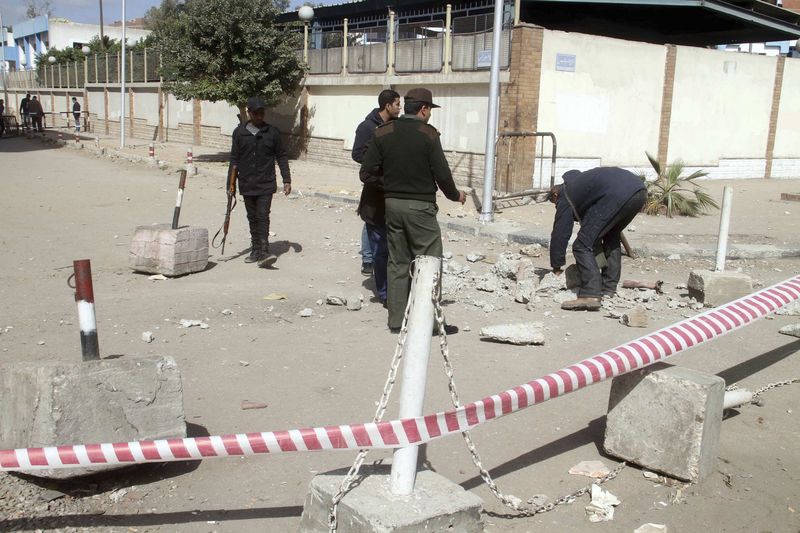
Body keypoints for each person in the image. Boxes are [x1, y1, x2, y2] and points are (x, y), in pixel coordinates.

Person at [361, 88, 466, 333]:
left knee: (397, 263)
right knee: (429, 262)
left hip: (392, 206)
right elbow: (442, 174)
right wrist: (455, 195)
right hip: (420, 208)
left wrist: (393, 187)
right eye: (429, 110)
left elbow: (366, 172)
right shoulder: (428, 135)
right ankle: (428, 322)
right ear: (424, 109)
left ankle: (396, 321)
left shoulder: (383, 132)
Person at [548, 167, 646, 311]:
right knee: (611, 236)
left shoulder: (565, 194)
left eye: (554, 202)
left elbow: (560, 233)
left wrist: (556, 266)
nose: (556, 206)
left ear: (555, 194)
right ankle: (609, 287)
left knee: (581, 244)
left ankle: (590, 294)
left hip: (616, 194)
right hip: (639, 191)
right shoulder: (582, 185)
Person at [228, 96, 291, 268]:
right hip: (247, 183)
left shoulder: (272, 133)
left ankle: (264, 251)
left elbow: (282, 156)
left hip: (266, 183)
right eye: (255, 113)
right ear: (249, 113)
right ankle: (255, 249)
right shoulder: (239, 133)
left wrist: (287, 180)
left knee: (263, 216)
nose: (259, 116)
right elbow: (234, 159)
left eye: (261, 113)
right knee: (252, 217)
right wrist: (230, 184)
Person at [351, 89, 401, 304]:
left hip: (393, 192)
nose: (400, 108)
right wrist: (378, 160)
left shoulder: (396, 127)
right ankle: (381, 287)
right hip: (375, 189)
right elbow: (357, 154)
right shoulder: (367, 127)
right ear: (387, 105)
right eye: (397, 104)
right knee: (375, 234)